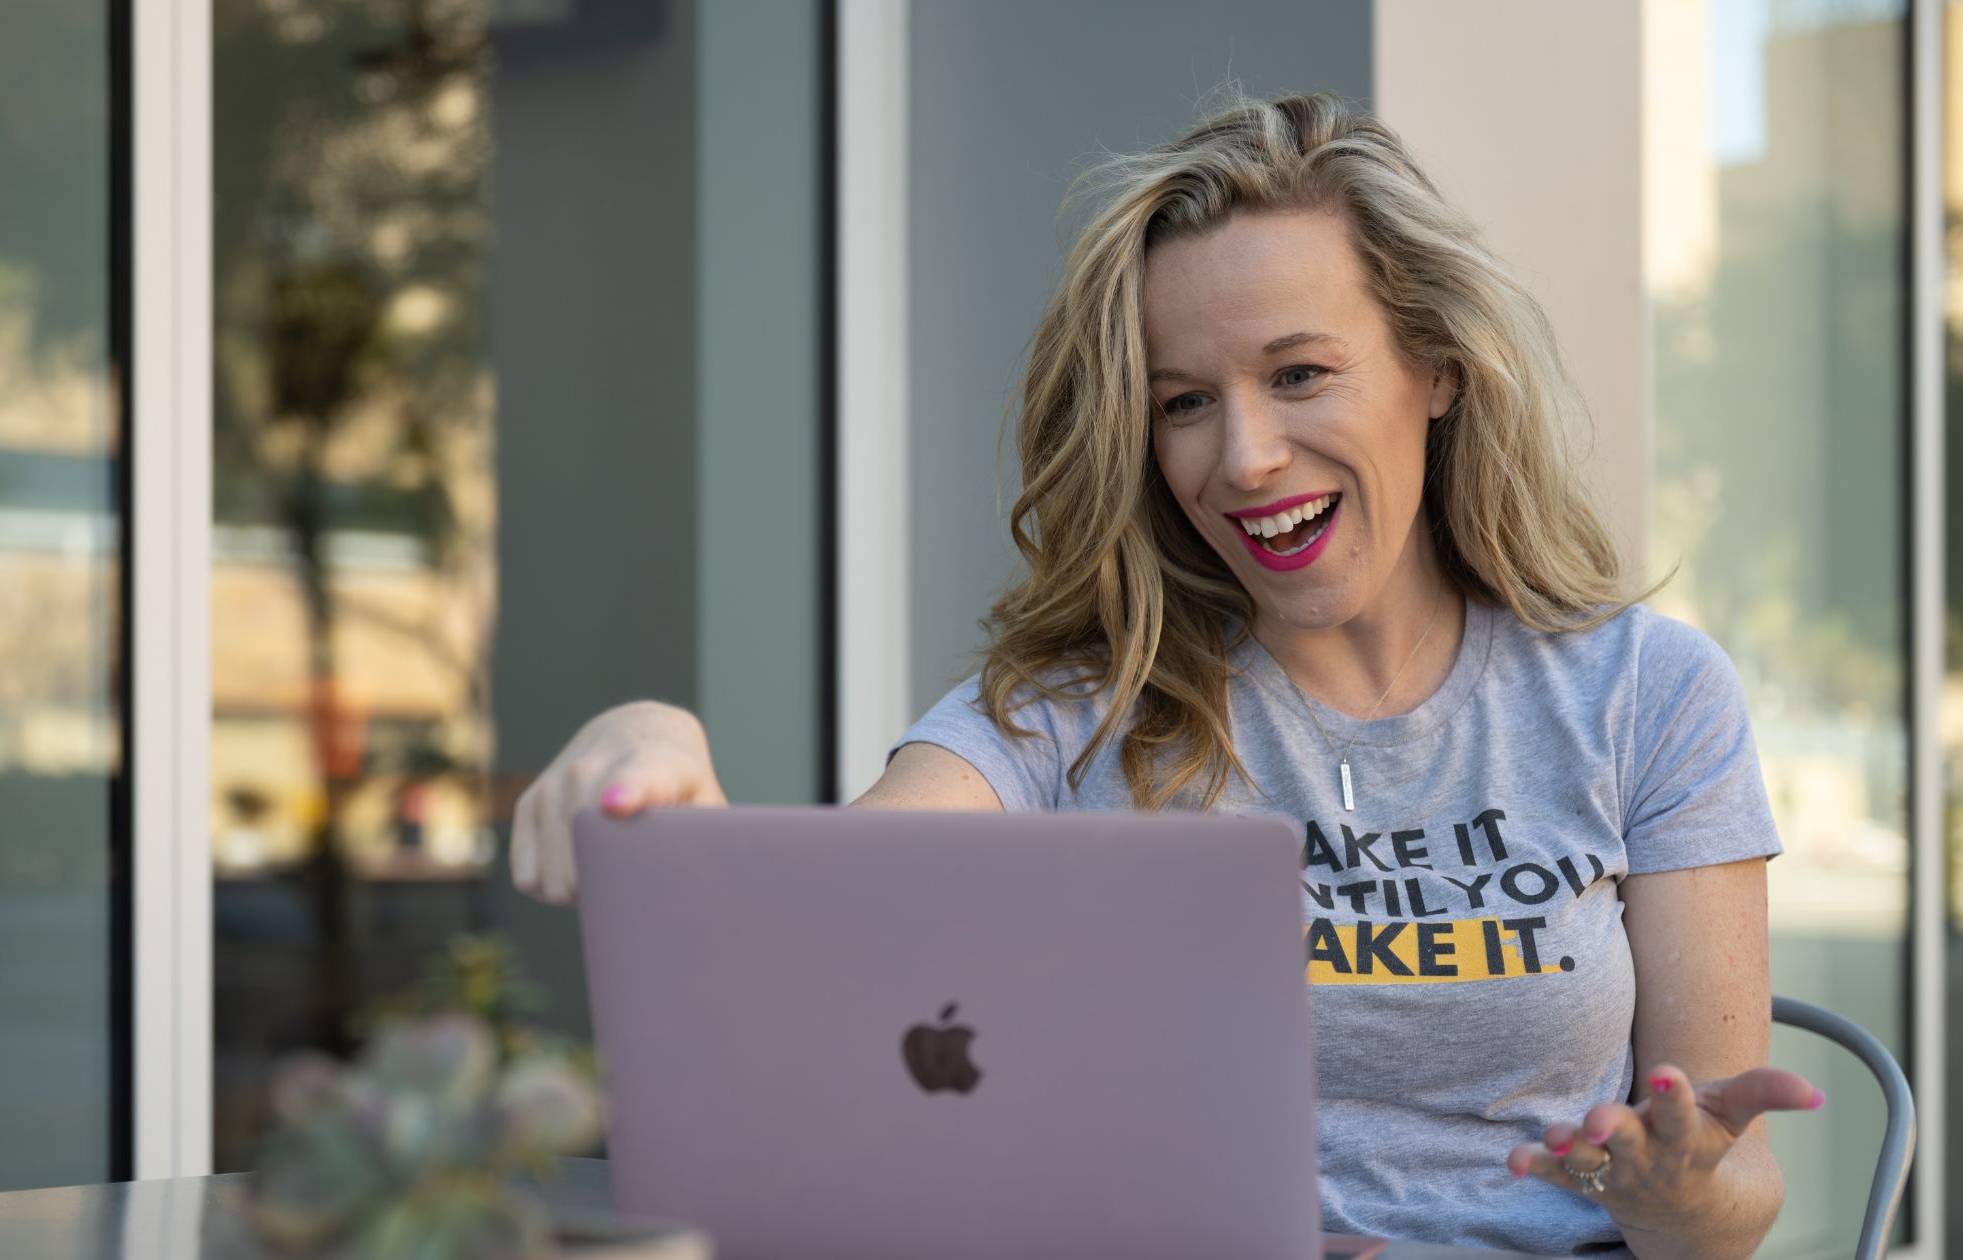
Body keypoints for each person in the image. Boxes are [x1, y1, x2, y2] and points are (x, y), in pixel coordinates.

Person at [506, 93, 1821, 1258]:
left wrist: (1667, 1191)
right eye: (1184, 401)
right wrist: (657, 745)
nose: (1243, 457)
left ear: (1436, 369)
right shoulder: (1074, 714)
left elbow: (1733, 1201)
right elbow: (820, 932)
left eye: (1299, 373)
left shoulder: (1645, 694)